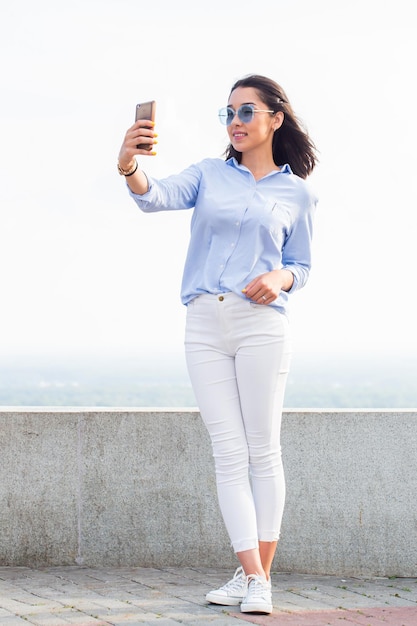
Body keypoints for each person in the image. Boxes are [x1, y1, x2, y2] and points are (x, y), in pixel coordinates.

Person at [117, 74, 318, 615]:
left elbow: (301, 265)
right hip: (204, 321)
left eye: (246, 111)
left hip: (261, 325)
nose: (235, 121)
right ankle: (254, 576)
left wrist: (281, 279)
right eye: (228, 112)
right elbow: (154, 197)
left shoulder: (296, 192)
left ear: (275, 118)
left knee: (263, 449)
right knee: (227, 452)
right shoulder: (208, 175)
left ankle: (255, 578)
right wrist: (129, 166)